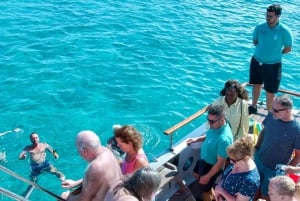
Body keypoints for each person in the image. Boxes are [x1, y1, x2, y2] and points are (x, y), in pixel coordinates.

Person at [248, 4, 293, 114]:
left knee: (270, 92)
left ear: (278, 16)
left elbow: (287, 49)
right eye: (266, 16)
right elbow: (255, 42)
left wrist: (275, 55)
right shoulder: (259, 27)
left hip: (273, 65)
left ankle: (269, 114)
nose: (268, 18)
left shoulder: (285, 31)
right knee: (256, 85)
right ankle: (253, 106)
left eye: (270, 16)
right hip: (257, 62)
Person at [254, 95, 300, 200]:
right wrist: (256, 147)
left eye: (275, 110)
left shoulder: (297, 131)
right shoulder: (272, 115)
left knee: (268, 195)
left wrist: (286, 171)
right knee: (253, 188)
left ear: (287, 111)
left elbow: (298, 156)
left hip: (273, 170)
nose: (272, 111)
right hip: (259, 160)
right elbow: (264, 131)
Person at [187, 105, 233, 201]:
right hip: (203, 160)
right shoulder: (216, 126)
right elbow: (209, 135)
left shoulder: (224, 139)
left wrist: (207, 177)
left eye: (212, 121)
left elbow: (220, 163)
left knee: (205, 191)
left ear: (222, 119)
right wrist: (197, 139)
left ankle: (209, 193)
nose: (209, 123)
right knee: (195, 174)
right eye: (208, 120)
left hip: (210, 166)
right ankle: (211, 190)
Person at [61, 130, 122, 201]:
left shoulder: (95, 167)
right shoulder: (107, 152)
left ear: (84, 151)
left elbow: (84, 199)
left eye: (78, 150)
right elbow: (95, 178)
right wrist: (75, 183)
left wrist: (67, 198)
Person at [215, 136, 260, 201]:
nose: (230, 162)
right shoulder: (237, 162)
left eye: (233, 160)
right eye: (229, 159)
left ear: (245, 158)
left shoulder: (251, 181)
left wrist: (220, 190)